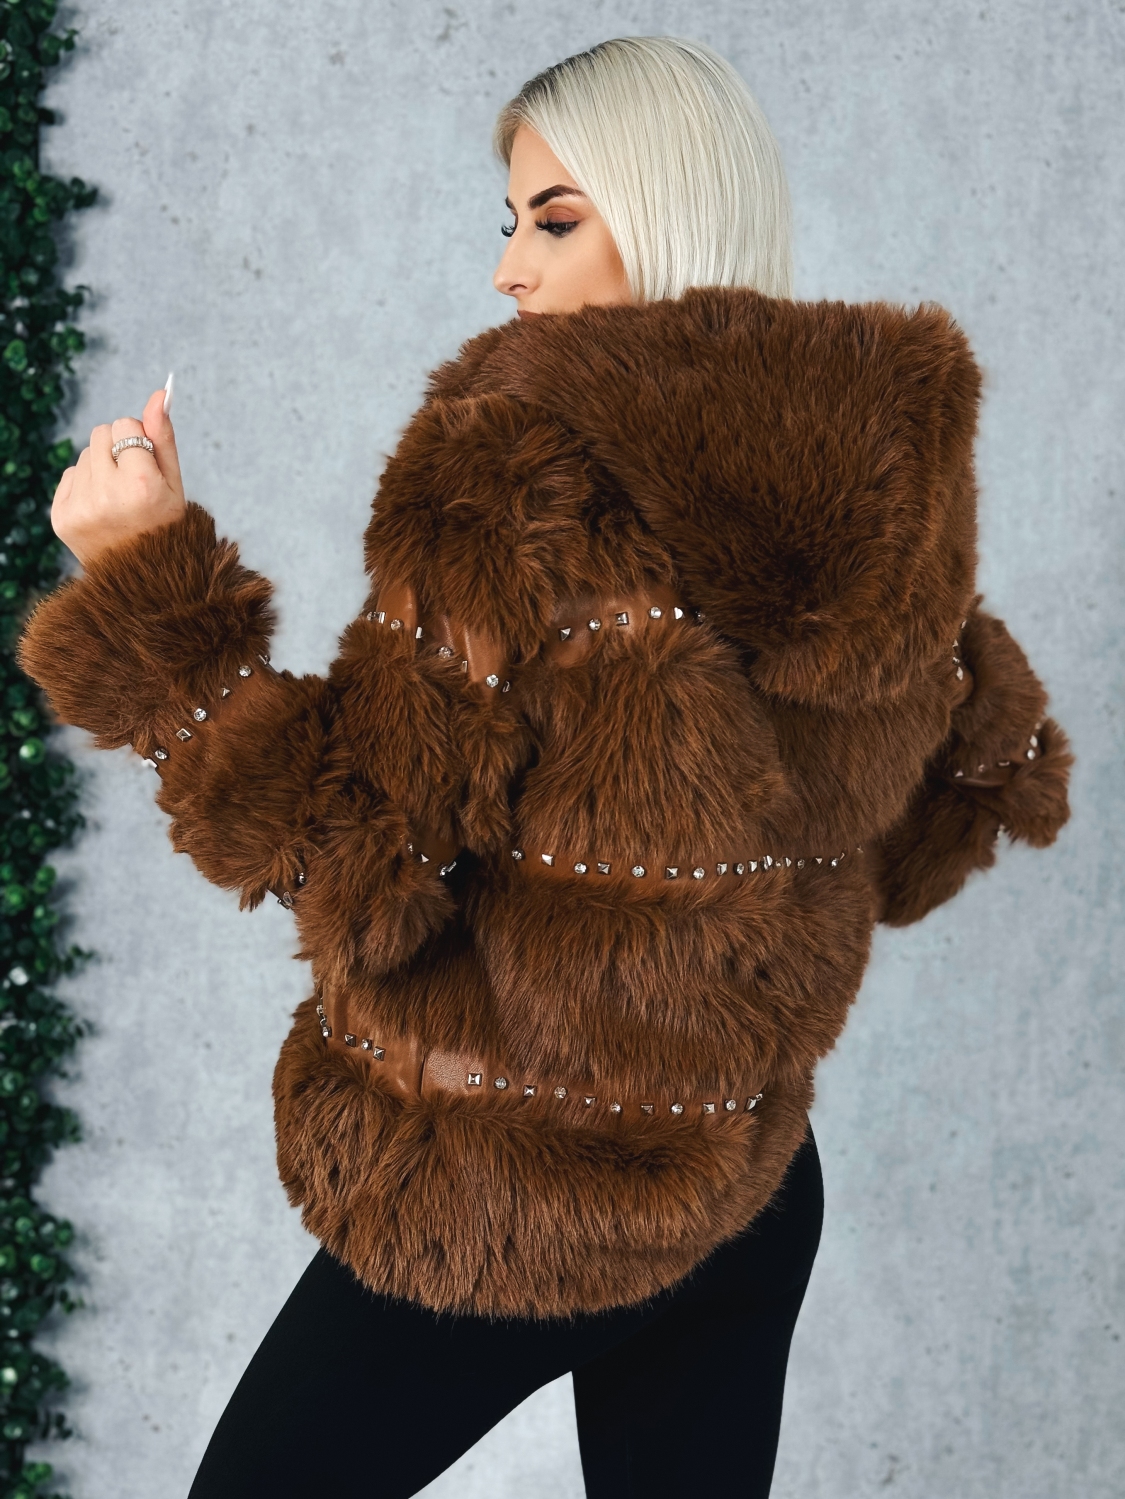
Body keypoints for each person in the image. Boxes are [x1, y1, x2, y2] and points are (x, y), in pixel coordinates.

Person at [19, 36, 1071, 1499]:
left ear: (670, 209)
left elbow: (356, 869)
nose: (509, 270)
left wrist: (147, 580)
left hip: (512, 1185)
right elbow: (932, 831)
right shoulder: (893, 485)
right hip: (746, 1185)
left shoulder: (513, 473)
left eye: (554, 220)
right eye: (510, 222)